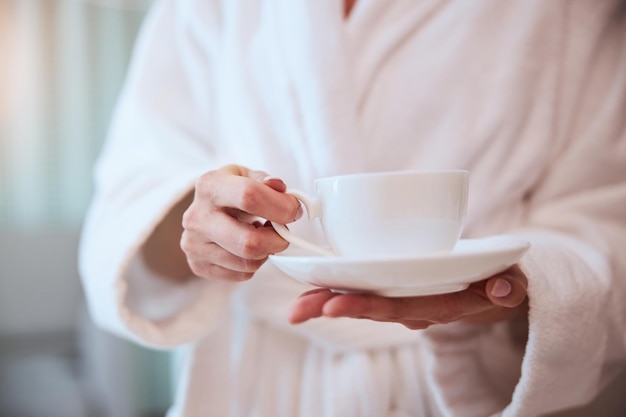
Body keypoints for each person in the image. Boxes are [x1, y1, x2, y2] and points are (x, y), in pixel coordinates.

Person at [79, 1, 626, 416]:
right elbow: (128, 198)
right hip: (256, 383)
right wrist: (200, 223)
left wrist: (520, 288)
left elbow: (608, 212)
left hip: (463, 382)